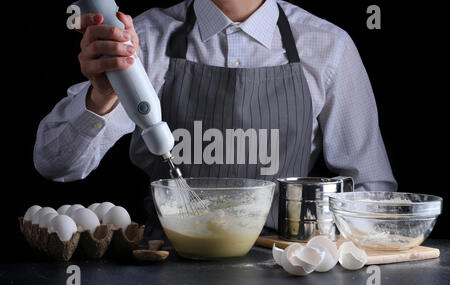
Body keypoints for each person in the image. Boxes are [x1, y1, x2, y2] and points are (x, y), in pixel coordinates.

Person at [34, 0, 397, 233]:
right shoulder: (142, 41)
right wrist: (102, 95)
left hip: (284, 267)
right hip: (167, 266)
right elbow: (57, 165)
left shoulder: (328, 45)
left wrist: (320, 250)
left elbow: (371, 189)